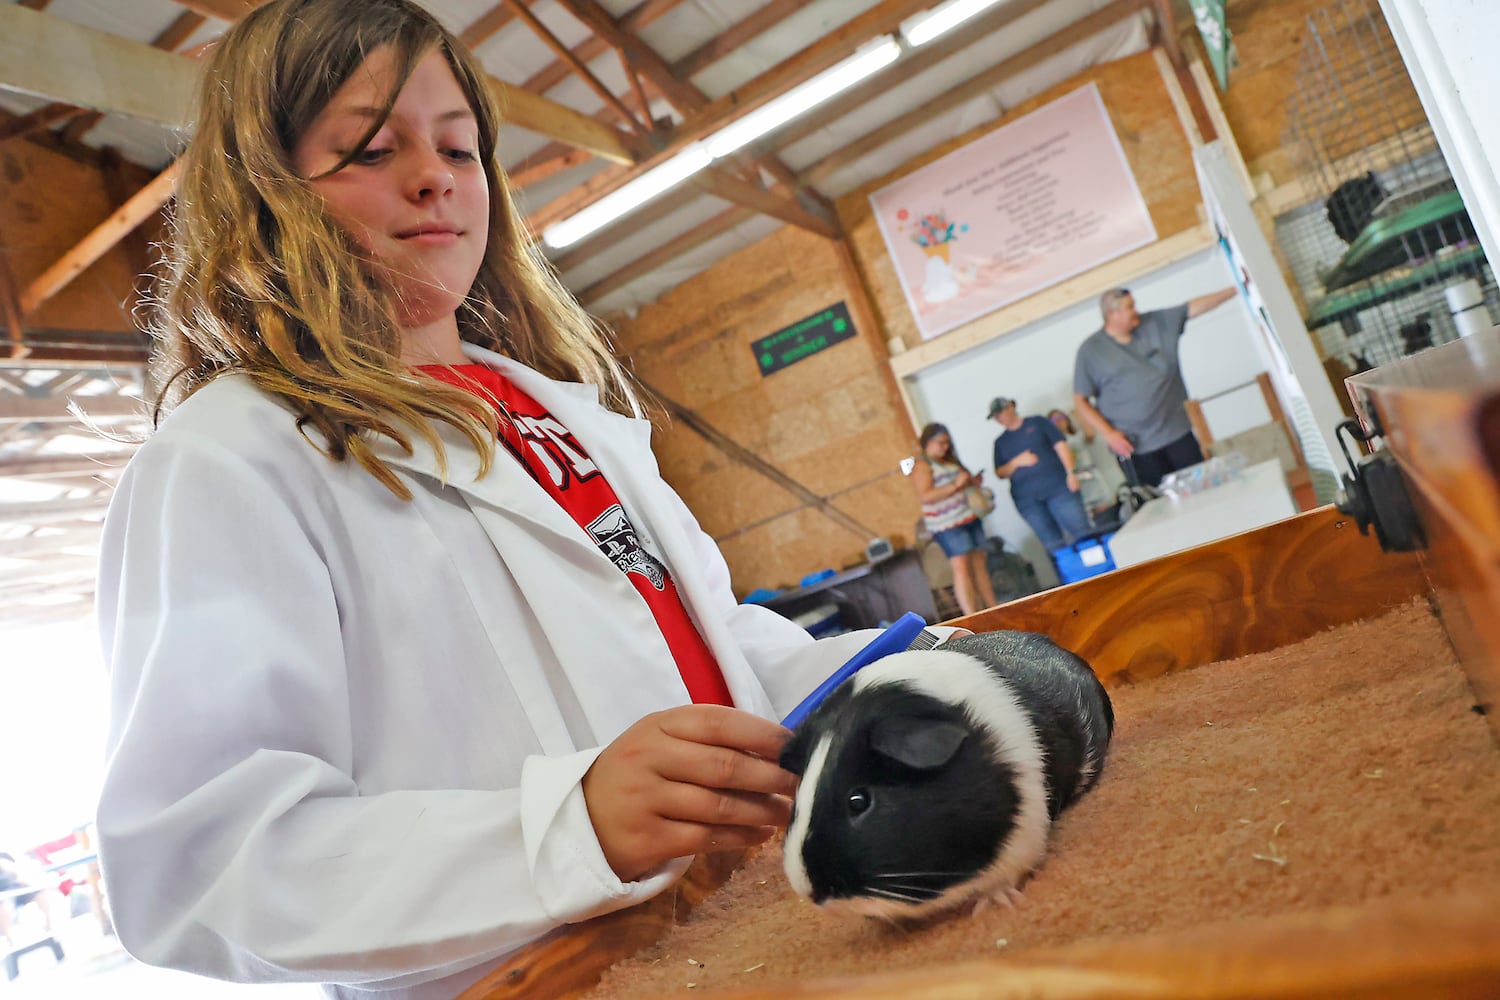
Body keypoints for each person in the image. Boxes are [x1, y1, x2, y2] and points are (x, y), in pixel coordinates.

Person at [91, 3, 932, 997]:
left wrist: (900, 673)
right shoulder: (229, 462)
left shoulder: (556, 411)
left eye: (459, 145)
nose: (436, 174)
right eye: (369, 148)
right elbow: (201, 860)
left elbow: (705, 652)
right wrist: (564, 826)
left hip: (748, 925)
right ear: (267, 193)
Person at [1073, 286, 1237, 486]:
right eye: (1130, 307)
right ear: (1113, 314)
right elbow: (1080, 400)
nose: (1136, 311)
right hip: (1135, 446)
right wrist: (1108, 434)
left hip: (1177, 433)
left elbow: (1192, 308)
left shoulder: (1155, 323)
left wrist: (1234, 289)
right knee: (1160, 504)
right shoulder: (1091, 351)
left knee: (1203, 488)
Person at [910, 423, 997, 616]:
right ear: (927, 442)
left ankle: (992, 608)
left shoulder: (949, 461)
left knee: (979, 562)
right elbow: (926, 496)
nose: (944, 447)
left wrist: (972, 482)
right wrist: (955, 486)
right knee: (961, 567)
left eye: (947, 443)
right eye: (940, 443)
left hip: (968, 516)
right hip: (946, 524)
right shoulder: (922, 465)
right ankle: (972, 614)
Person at [988, 398, 1090, 553]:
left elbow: (1061, 445)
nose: (1000, 418)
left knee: (1082, 532)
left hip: (1059, 488)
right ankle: (1071, 574)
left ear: (1011, 407)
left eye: (1000, 413)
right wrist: (1016, 462)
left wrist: (1071, 472)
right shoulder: (1000, 443)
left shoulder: (1037, 422)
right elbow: (1000, 472)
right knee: (1053, 545)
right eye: (996, 417)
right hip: (1028, 501)